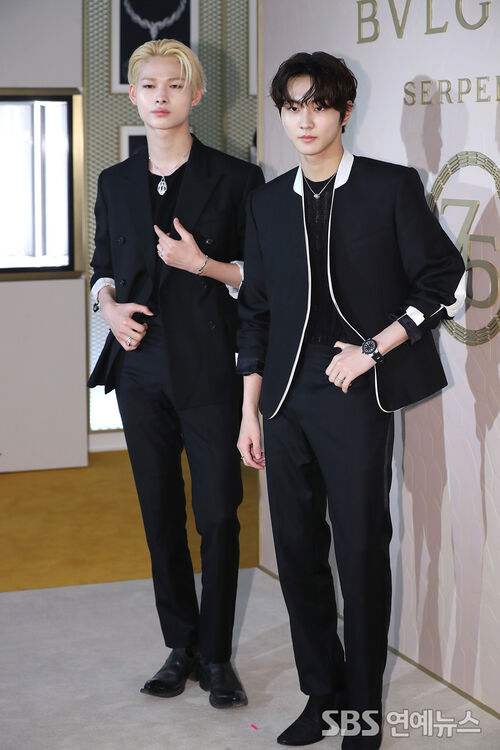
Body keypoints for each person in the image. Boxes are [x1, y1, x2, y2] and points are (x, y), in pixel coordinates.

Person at [236, 51, 465, 748]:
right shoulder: (266, 202)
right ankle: (322, 695)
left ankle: (362, 710)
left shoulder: (389, 187)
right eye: (292, 107)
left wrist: (373, 349)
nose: (304, 121)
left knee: (361, 551)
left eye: (318, 106)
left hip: (355, 396)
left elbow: (442, 278)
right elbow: (255, 311)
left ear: (344, 111)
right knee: (297, 553)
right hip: (283, 403)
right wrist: (249, 410)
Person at [88, 39, 264, 709]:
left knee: (217, 514)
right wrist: (108, 309)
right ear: (133, 97)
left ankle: (217, 656)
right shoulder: (114, 182)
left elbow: (260, 279)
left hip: (212, 370)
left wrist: (204, 266)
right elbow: (102, 268)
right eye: (149, 85)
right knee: (159, 513)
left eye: (174, 84)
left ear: (196, 94)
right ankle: (180, 646)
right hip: (140, 371)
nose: (160, 96)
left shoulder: (238, 179)